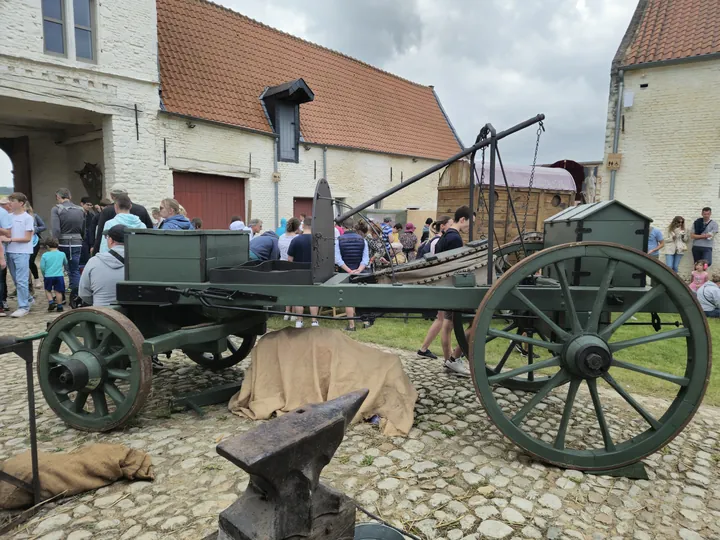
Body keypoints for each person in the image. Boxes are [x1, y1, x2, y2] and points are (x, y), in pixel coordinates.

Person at [417, 206, 472, 377]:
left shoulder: (445, 236)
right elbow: (454, 264)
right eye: (470, 223)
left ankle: (450, 361)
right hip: (451, 286)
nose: (470, 227)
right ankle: (453, 360)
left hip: (444, 285)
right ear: (462, 219)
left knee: (446, 324)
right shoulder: (454, 238)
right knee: (471, 322)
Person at [93, 187, 153, 254]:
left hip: (115, 260)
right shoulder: (142, 225)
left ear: (115, 207)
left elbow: (104, 247)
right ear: (130, 206)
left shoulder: (110, 223)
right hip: (136, 258)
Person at [79, 224, 127, 307]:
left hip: (102, 316)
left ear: (111, 240)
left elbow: (84, 294)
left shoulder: (94, 261)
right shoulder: (140, 262)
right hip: (133, 316)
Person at [51, 188, 84, 300]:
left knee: (58, 269)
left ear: (59, 197)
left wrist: (54, 242)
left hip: (63, 243)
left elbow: (56, 229)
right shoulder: (80, 209)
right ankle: (76, 295)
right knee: (74, 269)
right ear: (69, 197)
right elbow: (83, 228)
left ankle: (61, 296)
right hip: (77, 242)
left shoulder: (56, 209)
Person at [336, 221, 370, 330]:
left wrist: (349, 270)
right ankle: (366, 322)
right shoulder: (362, 240)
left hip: (345, 273)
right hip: (360, 273)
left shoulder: (339, 240)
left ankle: (351, 325)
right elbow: (365, 259)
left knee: (348, 299)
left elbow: (337, 259)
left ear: (343, 227)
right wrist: (359, 270)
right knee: (362, 296)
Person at [6, 192, 35, 317]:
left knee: (22, 280)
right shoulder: (8, 216)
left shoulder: (27, 218)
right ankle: (28, 298)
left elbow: (28, 238)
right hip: (9, 251)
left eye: (13, 201)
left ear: (21, 203)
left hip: (22, 252)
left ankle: (23, 306)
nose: (10, 203)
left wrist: (11, 239)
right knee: (16, 279)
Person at [287, 216, 319, 327]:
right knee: (314, 296)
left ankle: (299, 321)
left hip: (299, 272)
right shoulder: (317, 241)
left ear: (303, 225)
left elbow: (290, 259)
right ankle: (314, 321)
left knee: (299, 296)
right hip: (314, 272)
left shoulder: (295, 240)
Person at [40, 237, 67, 312]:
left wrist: (44, 274)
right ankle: (59, 306)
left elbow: (42, 267)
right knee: (58, 291)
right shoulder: (62, 254)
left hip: (48, 275)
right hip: (59, 275)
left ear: (47, 246)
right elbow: (66, 263)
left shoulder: (45, 255)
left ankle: (51, 302)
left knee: (48, 290)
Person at [25, 203, 46, 292]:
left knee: (30, 261)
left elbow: (43, 226)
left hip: (34, 242)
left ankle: (37, 279)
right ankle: (27, 283)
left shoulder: (34, 216)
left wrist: (35, 229)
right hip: (22, 242)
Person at [0, 197, 12, 312]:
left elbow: (8, 233)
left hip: (1, 247)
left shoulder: (3, 213)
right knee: (1, 278)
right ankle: (2, 303)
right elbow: (8, 233)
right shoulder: (3, 213)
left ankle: (2, 302)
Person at [79, 197, 96, 269]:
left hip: (88, 239)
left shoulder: (92, 215)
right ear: (82, 204)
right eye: (87, 205)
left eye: (90, 205)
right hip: (79, 238)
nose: (89, 207)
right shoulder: (77, 214)